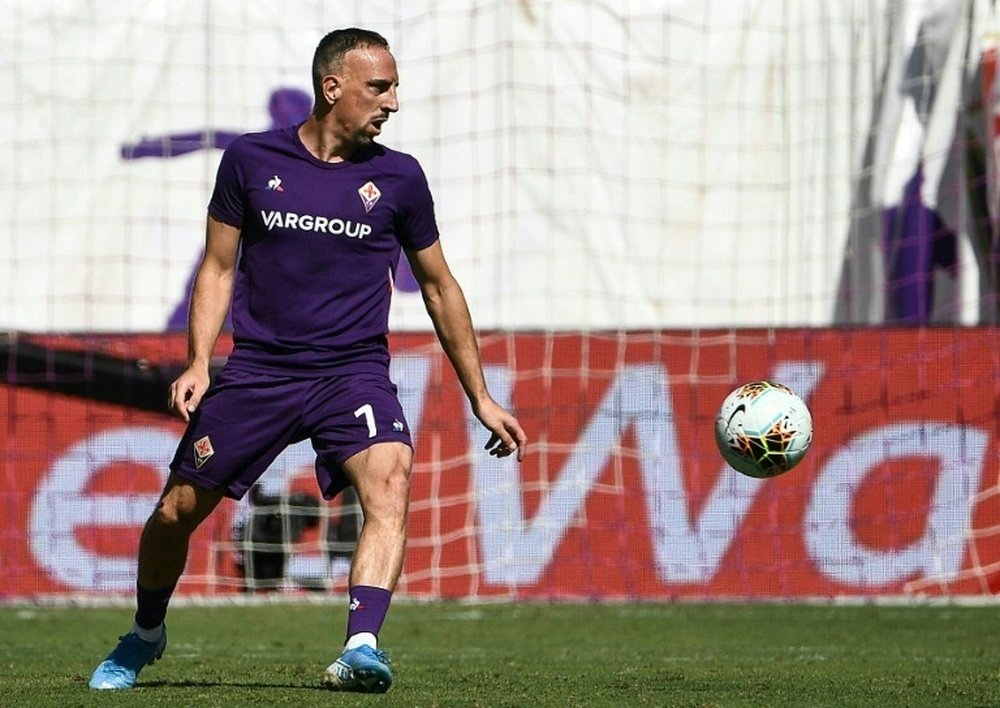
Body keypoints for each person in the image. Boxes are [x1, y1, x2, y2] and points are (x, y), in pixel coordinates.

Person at [89, 27, 527, 693]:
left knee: (391, 476)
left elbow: (439, 286)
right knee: (177, 510)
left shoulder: (399, 178)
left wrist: (482, 397)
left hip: (351, 371)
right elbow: (217, 266)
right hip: (261, 370)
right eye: (379, 87)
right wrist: (199, 360)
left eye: (394, 87)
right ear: (333, 88)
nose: (394, 103)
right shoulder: (248, 160)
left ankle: (360, 645)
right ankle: (144, 633)